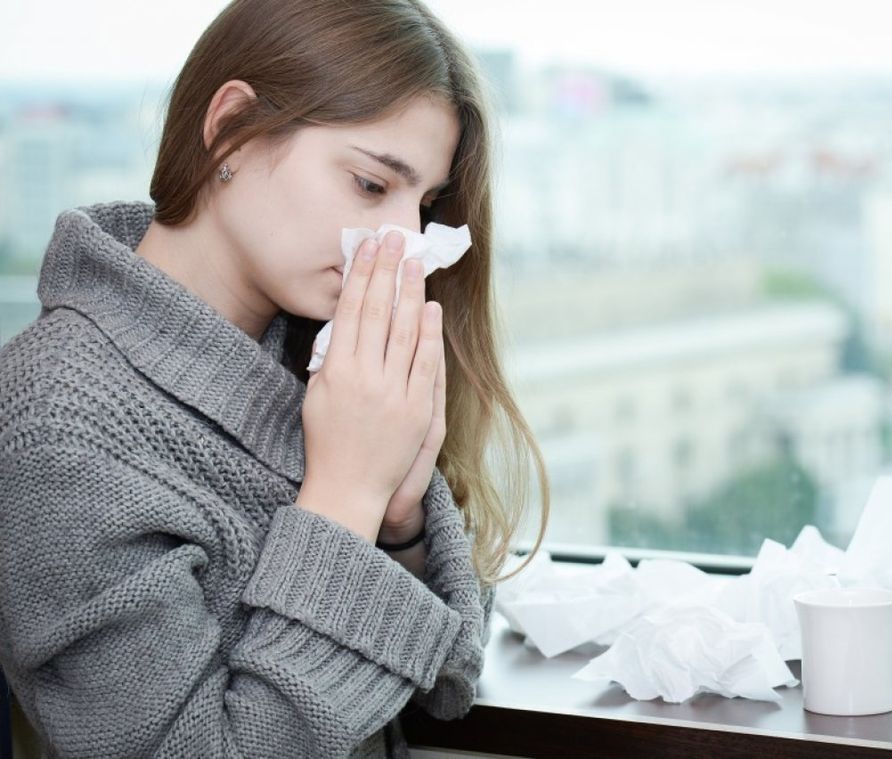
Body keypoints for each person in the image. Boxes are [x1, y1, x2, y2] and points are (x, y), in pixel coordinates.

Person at [0, 0, 548, 756]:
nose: (400, 240)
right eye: (368, 184)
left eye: (422, 205)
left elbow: (449, 670)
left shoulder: (319, 350)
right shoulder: (58, 421)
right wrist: (345, 495)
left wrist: (401, 525)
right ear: (230, 127)